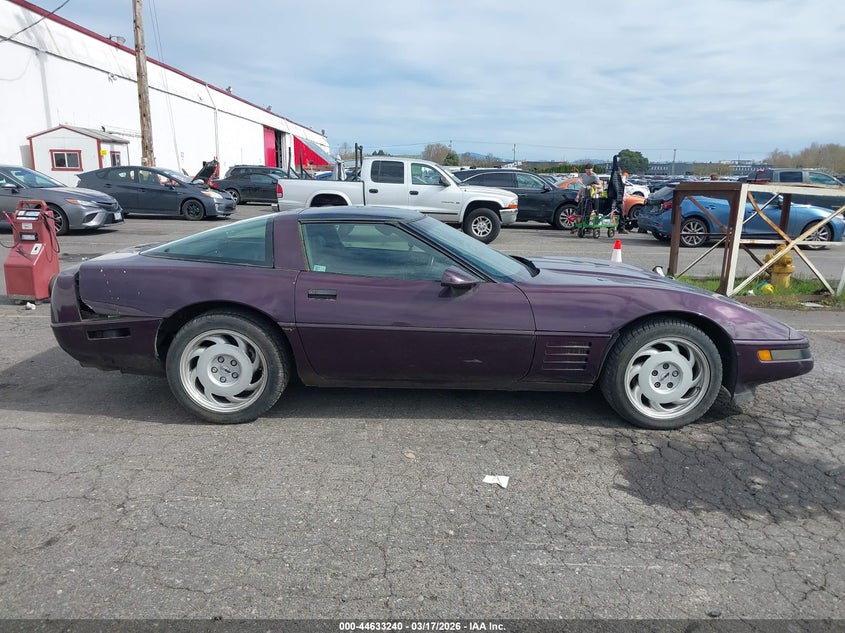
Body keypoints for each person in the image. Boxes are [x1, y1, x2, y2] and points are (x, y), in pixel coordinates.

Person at [606, 155, 627, 233]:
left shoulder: (619, 179)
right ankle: (618, 227)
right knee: (616, 212)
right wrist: (615, 158)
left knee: (618, 212)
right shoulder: (616, 177)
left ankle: (620, 227)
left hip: (617, 198)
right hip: (616, 198)